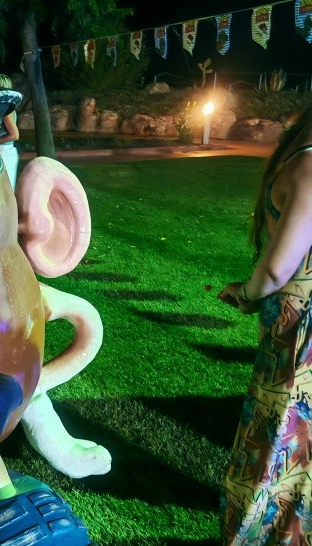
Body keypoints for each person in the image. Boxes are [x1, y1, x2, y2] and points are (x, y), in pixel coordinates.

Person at [217, 105, 312, 544]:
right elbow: (278, 269)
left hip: (294, 328)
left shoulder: (301, 159)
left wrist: (246, 293)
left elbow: (275, 271)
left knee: (283, 431)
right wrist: (251, 291)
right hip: (299, 331)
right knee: (288, 433)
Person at [0, 74, 20, 190]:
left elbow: (15, 135)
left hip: (5, 152)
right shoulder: (1, 107)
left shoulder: (6, 109)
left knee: (6, 189)